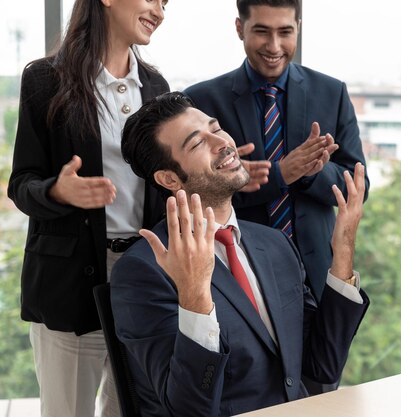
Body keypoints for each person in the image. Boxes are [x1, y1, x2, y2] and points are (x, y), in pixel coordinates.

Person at [110, 92, 369, 416]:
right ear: (169, 178)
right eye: (196, 143)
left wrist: (343, 251)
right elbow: (188, 409)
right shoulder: (143, 271)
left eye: (216, 129)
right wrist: (194, 296)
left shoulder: (275, 244)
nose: (221, 143)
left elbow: (322, 369)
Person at [7, 1, 170, 415]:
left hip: (141, 279)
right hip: (69, 283)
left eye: (166, 3)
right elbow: (21, 184)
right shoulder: (45, 79)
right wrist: (58, 193)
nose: (160, 10)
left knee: (133, 409)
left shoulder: (156, 87)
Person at [184, 0, 369, 305]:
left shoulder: (331, 92)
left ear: (298, 29)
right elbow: (194, 197)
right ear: (240, 28)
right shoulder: (202, 101)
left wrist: (313, 171)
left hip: (321, 275)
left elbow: (359, 189)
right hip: (237, 275)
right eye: (261, 32)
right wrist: (280, 173)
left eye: (285, 32)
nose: (274, 45)